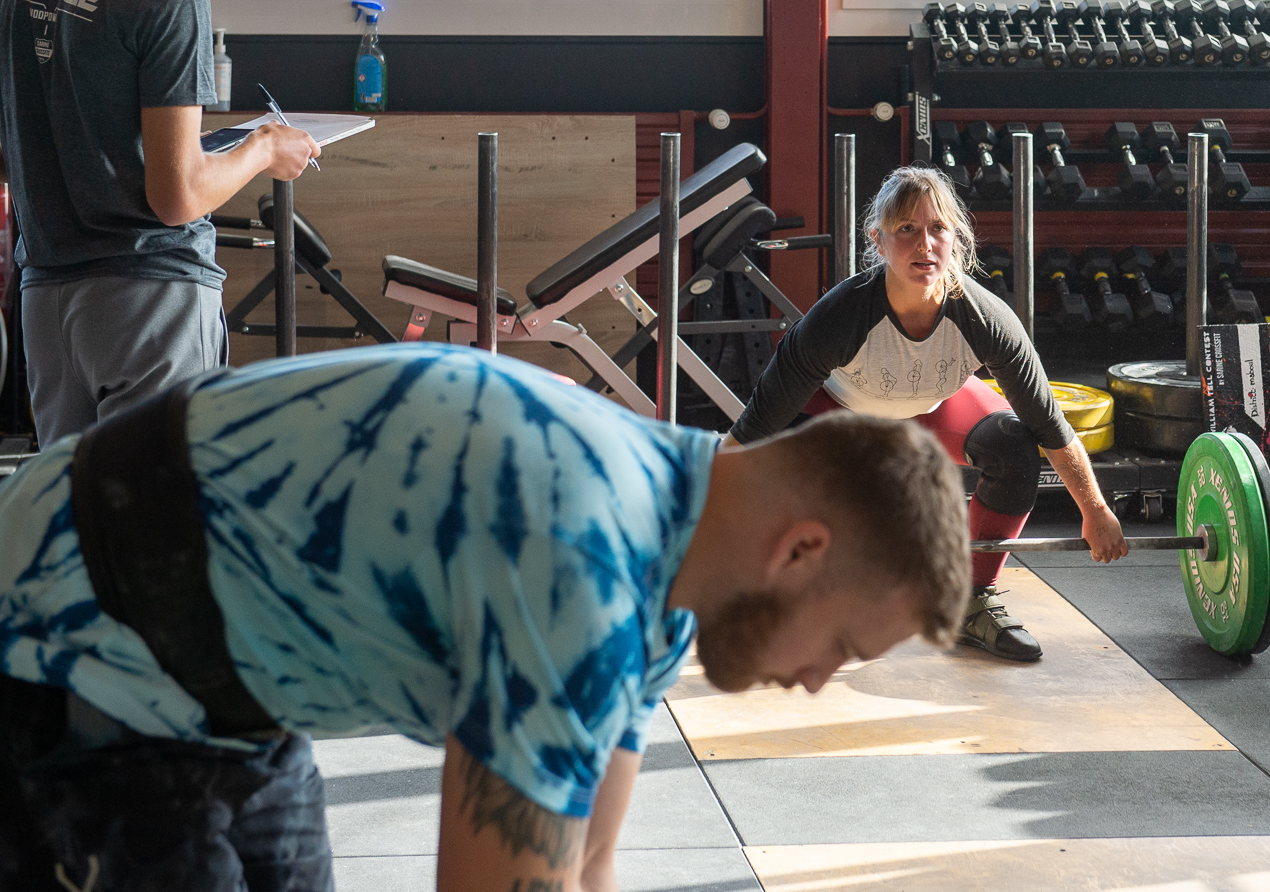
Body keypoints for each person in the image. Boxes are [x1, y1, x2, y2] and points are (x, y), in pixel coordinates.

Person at [0, 344, 968, 891]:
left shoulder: (675, 562)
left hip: (226, 689)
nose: (817, 681)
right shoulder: (582, 565)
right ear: (800, 550)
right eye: (842, 646)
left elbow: (585, 863)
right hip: (64, 648)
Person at [0, 0, 317, 444]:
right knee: (158, 507)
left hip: (46, 301)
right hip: (148, 299)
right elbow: (176, 195)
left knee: (74, 503)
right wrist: (264, 148)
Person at [725, 165, 1128, 663]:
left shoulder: (986, 319)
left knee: (1014, 444)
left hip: (931, 409)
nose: (925, 245)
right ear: (878, 239)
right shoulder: (838, 318)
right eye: (906, 229)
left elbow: (1049, 425)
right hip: (840, 416)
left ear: (955, 237)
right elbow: (754, 429)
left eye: (938, 228)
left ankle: (969, 603)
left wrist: (1095, 511)